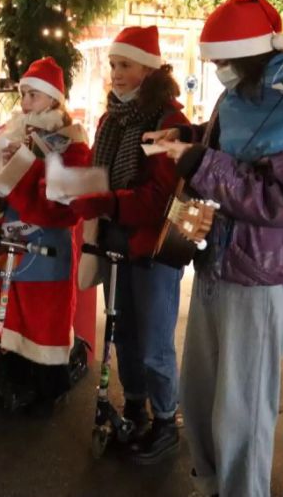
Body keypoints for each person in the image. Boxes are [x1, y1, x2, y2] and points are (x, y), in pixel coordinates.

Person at [148, 0, 283, 497]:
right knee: (204, 392)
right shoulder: (240, 98)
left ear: (253, 56)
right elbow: (228, 150)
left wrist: (197, 163)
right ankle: (212, 484)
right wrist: (185, 137)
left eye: (225, 62)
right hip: (218, 263)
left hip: (260, 278)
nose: (218, 72)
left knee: (243, 409)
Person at [69, 26, 189, 464]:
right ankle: (136, 405)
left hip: (153, 250)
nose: (115, 74)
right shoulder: (111, 118)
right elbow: (102, 177)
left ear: (149, 68)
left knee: (155, 339)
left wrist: (102, 200)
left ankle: (164, 421)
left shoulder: (168, 122)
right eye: (113, 65)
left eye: (125, 65)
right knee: (124, 334)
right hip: (117, 242)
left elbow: (157, 199)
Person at [0, 56, 90, 411]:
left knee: (42, 318)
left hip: (48, 246)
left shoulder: (73, 140)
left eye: (33, 95)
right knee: (10, 313)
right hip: (11, 241)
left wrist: (24, 165)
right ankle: (10, 380)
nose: (25, 103)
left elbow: (68, 202)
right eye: (23, 95)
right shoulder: (12, 132)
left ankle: (48, 390)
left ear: (54, 99)